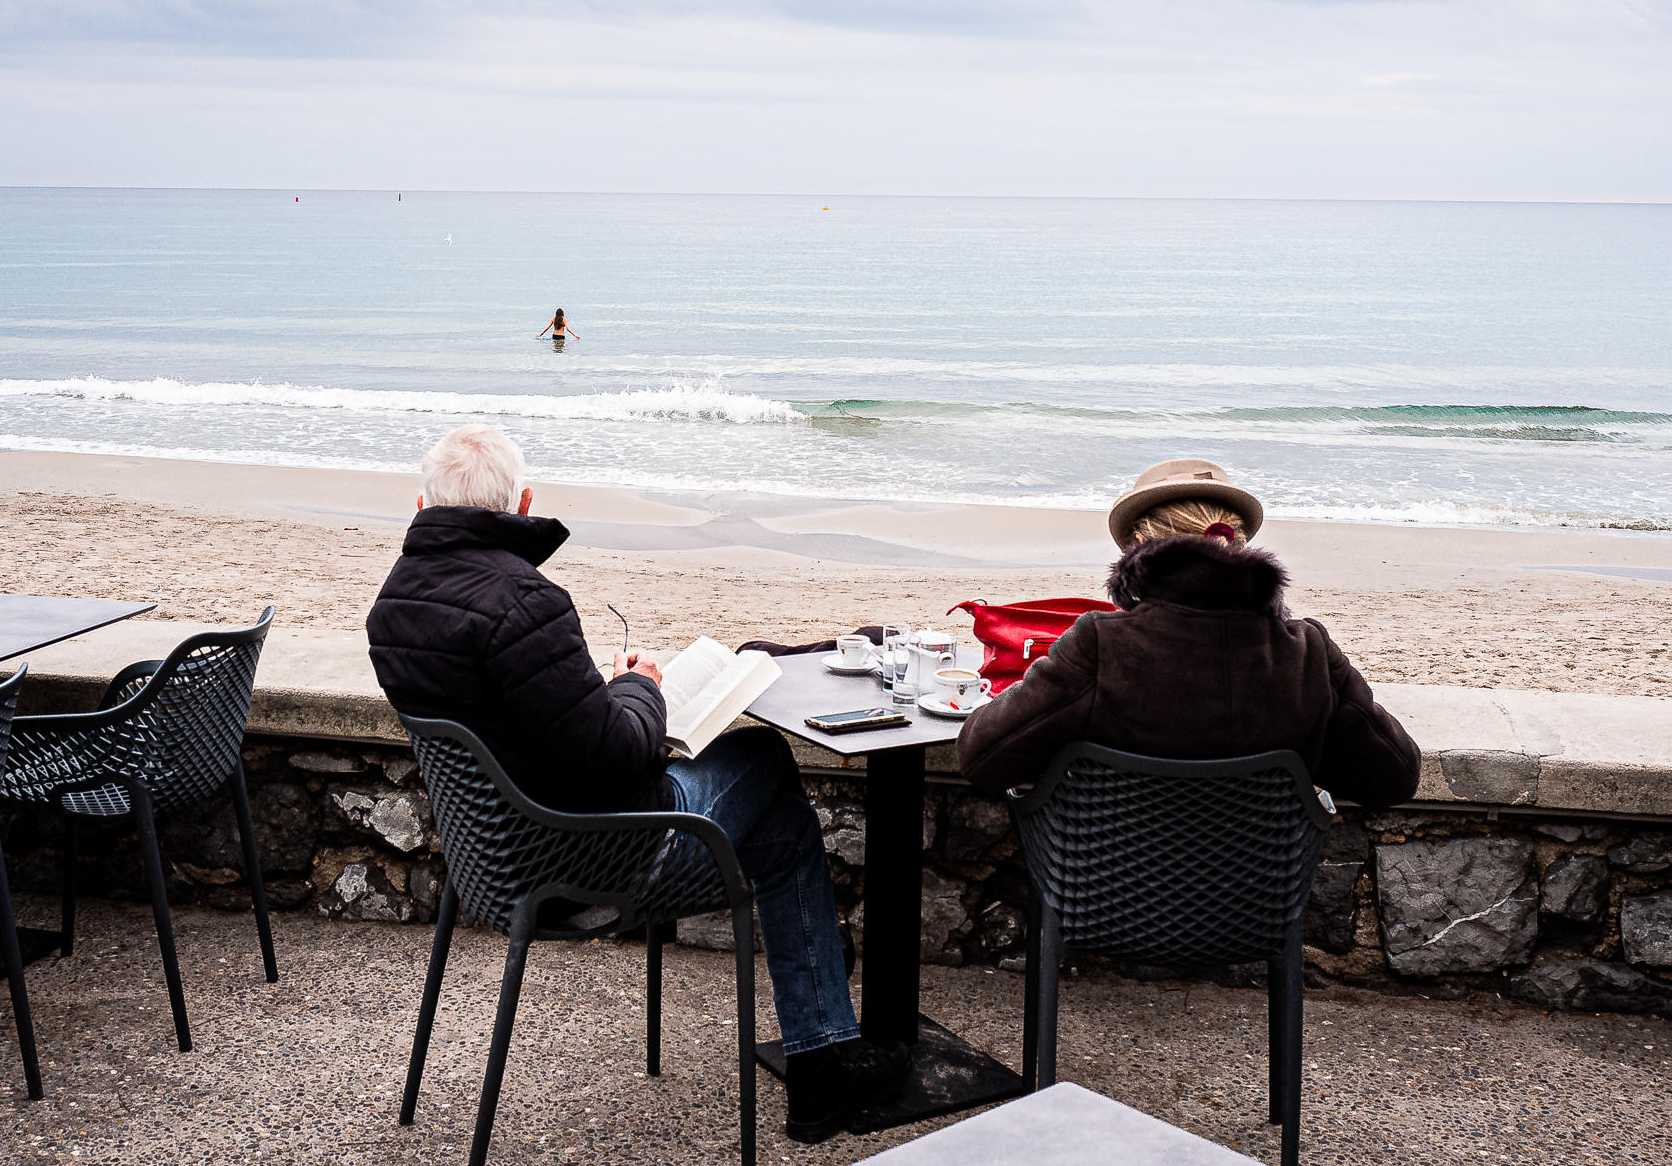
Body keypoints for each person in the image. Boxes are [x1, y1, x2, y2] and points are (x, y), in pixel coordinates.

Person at [364, 425, 908, 1144]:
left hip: (494, 862)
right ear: (523, 504)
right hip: (597, 858)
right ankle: (818, 1057)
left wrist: (604, 694)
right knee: (767, 760)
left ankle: (822, 1066)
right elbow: (612, 759)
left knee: (781, 836)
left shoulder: (394, 604)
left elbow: (525, 727)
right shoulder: (527, 602)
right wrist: (639, 687)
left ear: (422, 503)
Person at [957, 458, 1421, 804]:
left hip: (1101, 898)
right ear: (1240, 549)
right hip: (1260, 904)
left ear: (1138, 550)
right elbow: (1393, 778)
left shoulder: (1101, 644)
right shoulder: (1307, 652)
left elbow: (982, 760)